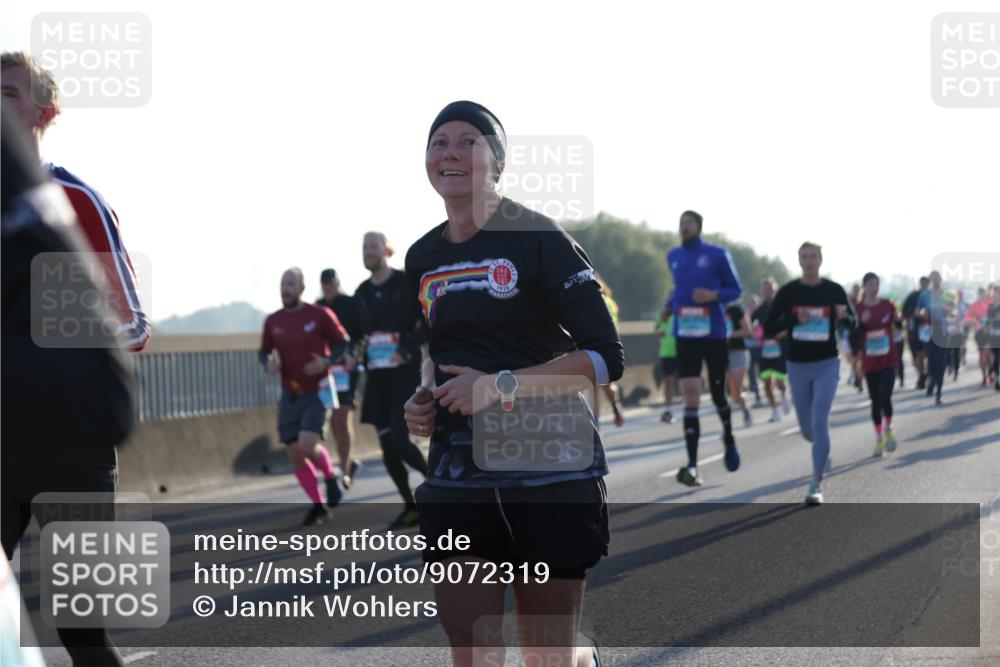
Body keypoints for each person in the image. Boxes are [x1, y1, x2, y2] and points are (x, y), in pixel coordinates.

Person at [403, 101, 623, 667]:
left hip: (548, 466)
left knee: (545, 656)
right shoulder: (422, 257)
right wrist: (424, 397)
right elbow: (437, 350)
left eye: (468, 141)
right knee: (473, 651)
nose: (450, 151)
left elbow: (605, 356)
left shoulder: (538, 238)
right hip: (458, 476)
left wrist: (497, 387)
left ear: (496, 161)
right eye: (439, 141)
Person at [2, 111, 135, 667]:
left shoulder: (71, 196)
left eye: (10, 93)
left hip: (70, 443)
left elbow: (132, 319)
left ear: (43, 112)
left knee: (79, 630)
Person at [2, 51, 150, 352]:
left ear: (45, 113)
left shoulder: (78, 201)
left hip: (45, 395)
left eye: (9, 94)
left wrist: (37, 354)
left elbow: (133, 327)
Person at [764, 242, 857, 505]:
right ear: (799, 260)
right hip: (797, 365)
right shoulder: (789, 292)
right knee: (806, 429)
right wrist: (796, 320)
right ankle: (821, 450)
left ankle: (815, 483)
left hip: (827, 363)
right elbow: (770, 328)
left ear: (821, 260)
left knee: (819, 421)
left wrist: (843, 317)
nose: (809, 261)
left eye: (813, 256)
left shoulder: (833, 290)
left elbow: (854, 322)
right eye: (804, 256)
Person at [259, 268, 349, 525]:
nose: (285, 288)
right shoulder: (273, 321)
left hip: (317, 391)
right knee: (295, 454)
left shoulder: (319, 315)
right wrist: (269, 364)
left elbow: (343, 343)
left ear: (301, 288)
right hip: (290, 394)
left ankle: (330, 476)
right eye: (283, 283)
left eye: (290, 284)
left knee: (308, 444)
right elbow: (264, 352)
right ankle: (318, 505)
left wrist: (326, 361)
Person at [356, 231, 429, 529]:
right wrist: (354, 351)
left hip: (404, 375)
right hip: (377, 378)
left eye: (373, 246)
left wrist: (406, 349)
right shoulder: (360, 292)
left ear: (387, 250)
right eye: (364, 247)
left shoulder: (404, 283)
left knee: (400, 438)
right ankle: (410, 507)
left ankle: (438, 485)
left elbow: (427, 320)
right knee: (387, 447)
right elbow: (354, 334)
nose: (367, 251)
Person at [667, 210, 743, 487]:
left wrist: (712, 295)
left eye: (689, 223)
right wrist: (667, 308)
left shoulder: (717, 254)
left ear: (699, 227)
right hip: (685, 333)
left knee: (718, 394)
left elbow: (736, 290)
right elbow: (679, 289)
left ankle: (728, 435)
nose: (684, 227)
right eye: (681, 223)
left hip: (712, 334)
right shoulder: (673, 256)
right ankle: (693, 465)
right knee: (690, 395)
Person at [316, 268, 363, 488]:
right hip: (327, 370)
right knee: (334, 420)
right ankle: (349, 461)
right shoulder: (318, 307)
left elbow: (364, 333)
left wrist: (356, 355)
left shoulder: (351, 303)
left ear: (337, 283)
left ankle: (343, 469)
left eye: (331, 284)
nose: (328, 288)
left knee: (343, 417)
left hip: (348, 368)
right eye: (324, 285)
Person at [855, 273, 900, 457]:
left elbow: (897, 325)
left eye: (877, 284)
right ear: (864, 287)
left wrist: (898, 319)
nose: (875, 287)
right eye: (872, 284)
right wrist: (862, 323)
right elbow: (853, 335)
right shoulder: (857, 309)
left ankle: (888, 428)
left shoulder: (887, 305)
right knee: (875, 400)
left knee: (885, 397)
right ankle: (879, 439)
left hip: (889, 358)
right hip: (870, 360)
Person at [752, 278, 791, 423]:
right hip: (764, 352)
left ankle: (783, 395)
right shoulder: (759, 310)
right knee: (766, 382)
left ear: (775, 289)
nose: (767, 291)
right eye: (765, 288)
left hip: (780, 350)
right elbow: (752, 327)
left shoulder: (783, 306)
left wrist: (781, 333)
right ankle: (774, 410)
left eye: (770, 288)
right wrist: (755, 333)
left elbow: (791, 323)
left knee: (780, 382)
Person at [594, 273, 625, 427]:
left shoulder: (594, 300)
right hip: (611, 345)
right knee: (605, 384)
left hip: (596, 343)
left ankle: (596, 422)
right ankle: (615, 407)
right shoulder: (612, 302)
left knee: (594, 385)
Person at [917, 271, 951, 405]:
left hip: (942, 332)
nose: (936, 280)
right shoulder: (925, 295)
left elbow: (954, 312)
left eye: (938, 278)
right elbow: (917, 310)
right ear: (931, 280)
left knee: (941, 364)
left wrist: (948, 311)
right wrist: (923, 313)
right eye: (933, 278)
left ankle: (939, 393)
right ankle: (931, 382)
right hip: (929, 333)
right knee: (931, 364)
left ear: (941, 279)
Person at [725, 299, 753, 427]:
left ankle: (746, 411)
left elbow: (747, 330)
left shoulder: (735, 310)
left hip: (738, 352)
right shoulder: (713, 309)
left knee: (737, 387)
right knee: (733, 394)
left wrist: (729, 334)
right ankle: (743, 406)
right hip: (722, 354)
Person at [902, 276, 931, 389]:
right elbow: (904, 310)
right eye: (922, 282)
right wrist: (915, 313)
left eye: (926, 283)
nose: (924, 284)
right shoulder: (913, 296)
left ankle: (927, 374)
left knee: (926, 354)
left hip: (928, 331)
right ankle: (922, 375)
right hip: (914, 331)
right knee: (916, 356)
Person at [655, 303, 678, 423]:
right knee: (668, 381)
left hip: (682, 350)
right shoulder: (662, 311)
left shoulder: (682, 309)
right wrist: (660, 331)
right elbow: (657, 328)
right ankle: (669, 410)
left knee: (686, 382)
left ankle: (690, 410)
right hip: (666, 352)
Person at [966, 287, 994, 387]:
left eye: (984, 294)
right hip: (979, 332)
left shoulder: (990, 304)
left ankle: (990, 374)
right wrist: (974, 320)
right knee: (982, 355)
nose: (982, 296)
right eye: (980, 294)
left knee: (988, 354)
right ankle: (984, 377)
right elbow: (968, 318)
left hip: (989, 333)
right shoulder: (973, 305)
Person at [745, 294, 764, 407]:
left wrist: (756, 332)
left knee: (762, 372)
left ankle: (767, 389)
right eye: (750, 302)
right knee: (751, 372)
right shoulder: (746, 315)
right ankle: (757, 395)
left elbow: (762, 329)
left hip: (760, 346)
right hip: (749, 347)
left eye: (753, 302)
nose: (752, 304)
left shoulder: (760, 313)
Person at [987, 284, 1000, 391]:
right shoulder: (991, 307)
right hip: (994, 336)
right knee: (996, 358)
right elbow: (988, 322)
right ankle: (996, 380)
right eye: (994, 293)